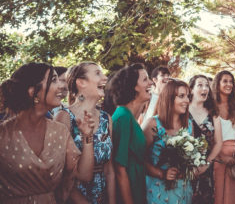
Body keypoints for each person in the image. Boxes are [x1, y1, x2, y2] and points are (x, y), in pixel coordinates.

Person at [0, 62, 95, 203]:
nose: (62, 86)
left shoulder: (60, 131)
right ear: (33, 92)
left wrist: (87, 136)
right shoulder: (4, 135)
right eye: (53, 80)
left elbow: (84, 175)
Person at [54, 62, 115, 204]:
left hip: (101, 197)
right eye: (98, 73)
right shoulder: (64, 117)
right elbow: (60, 174)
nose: (105, 78)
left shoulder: (107, 119)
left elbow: (109, 170)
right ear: (81, 82)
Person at [143, 79, 193, 204]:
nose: (186, 100)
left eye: (188, 96)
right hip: (157, 189)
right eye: (181, 96)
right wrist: (161, 173)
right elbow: (138, 158)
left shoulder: (189, 125)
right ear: (169, 98)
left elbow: (190, 158)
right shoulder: (153, 124)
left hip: (182, 188)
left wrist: (186, 169)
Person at [110, 63, 153, 204]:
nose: (151, 82)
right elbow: (119, 169)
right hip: (128, 193)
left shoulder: (130, 117)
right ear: (134, 86)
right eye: (145, 79)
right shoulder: (123, 117)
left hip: (138, 186)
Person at [189, 74, 223, 204]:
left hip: (205, 169)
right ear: (191, 89)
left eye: (206, 85)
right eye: (200, 85)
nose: (205, 88)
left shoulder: (213, 112)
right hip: (184, 169)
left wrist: (206, 164)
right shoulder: (183, 110)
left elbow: (219, 142)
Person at [212, 71, 235, 204]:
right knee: (218, 194)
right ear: (217, 84)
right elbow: (209, 135)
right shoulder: (212, 106)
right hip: (218, 156)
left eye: (231, 81)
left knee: (233, 196)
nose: (229, 84)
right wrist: (220, 156)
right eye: (225, 81)